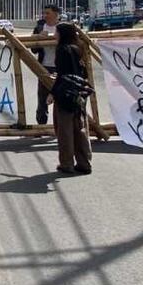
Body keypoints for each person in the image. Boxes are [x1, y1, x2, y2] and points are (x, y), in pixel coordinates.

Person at [47, 22, 93, 174]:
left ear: (62, 34)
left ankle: (66, 163)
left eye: (57, 32)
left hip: (65, 94)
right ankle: (84, 162)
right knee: (79, 128)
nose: (54, 35)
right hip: (80, 92)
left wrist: (52, 94)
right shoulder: (78, 48)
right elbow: (83, 72)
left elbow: (62, 75)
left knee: (64, 130)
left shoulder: (62, 50)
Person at [33, 5, 62, 125]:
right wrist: (39, 39)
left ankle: (62, 125)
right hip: (44, 66)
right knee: (42, 98)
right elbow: (33, 50)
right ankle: (41, 126)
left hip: (61, 67)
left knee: (61, 97)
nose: (45, 16)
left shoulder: (63, 28)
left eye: (48, 13)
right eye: (44, 13)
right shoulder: (40, 27)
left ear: (56, 14)